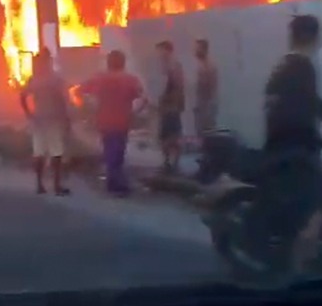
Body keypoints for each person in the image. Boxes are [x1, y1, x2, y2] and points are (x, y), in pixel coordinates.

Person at [263, 13, 322, 277]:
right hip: (297, 150)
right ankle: (300, 268)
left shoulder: (283, 65)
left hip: (279, 146)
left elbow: (301, 105)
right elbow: (312, 106)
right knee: (320, 201)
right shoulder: (303, 67)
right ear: (313, 38)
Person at [77, 50, 145, 197]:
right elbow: (143, 98)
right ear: (123, 63)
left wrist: (89, 106)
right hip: (123, 122)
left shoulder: (98, 78)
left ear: (108, 62)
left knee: (109, 151)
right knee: (118, 152)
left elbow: (79, 91)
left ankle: (113, 182)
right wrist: (136, 112)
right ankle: (117, 183)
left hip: (104, 121)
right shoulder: (130, 80)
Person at [18, 51, 72, 196]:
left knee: (39, 152)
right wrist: (67, 118)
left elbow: (22, 97)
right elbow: (64, 100)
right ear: (48, 61)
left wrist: (29, 114)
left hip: (38, 120)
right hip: (54, 119)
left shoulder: (34, 79)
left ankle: (39, 185)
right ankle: (57, 186)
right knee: (56, 152)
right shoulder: (55, 79)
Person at [153, 40, 187, 173]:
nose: (159, 54)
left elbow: (177, 87)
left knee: (171, 135)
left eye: (160, 50)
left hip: (171, 107)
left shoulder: (173, 67)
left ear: (167, 50)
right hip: (168, 106)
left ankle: (173, 162)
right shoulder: (166, 66)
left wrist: (176, 104)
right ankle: (168, 161)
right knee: (166, 135)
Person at [193, 38, 220, 138]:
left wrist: (211, 105)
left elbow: (212, 87)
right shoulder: (198, 65)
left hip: (206, 106)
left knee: (208, 133)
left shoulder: (210, 66)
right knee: (198, 133)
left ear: (204, 49)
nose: (195, 51)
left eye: (198, 49)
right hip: (198, 105)